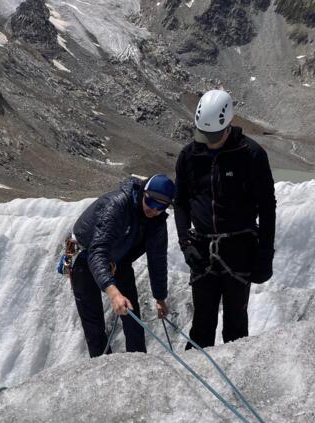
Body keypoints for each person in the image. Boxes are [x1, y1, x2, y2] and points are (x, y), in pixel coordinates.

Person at [173, 89, 276, 349]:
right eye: (203, 134)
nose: (208, 141)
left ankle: (233, 380)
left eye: (214, 136)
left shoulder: (251, 155)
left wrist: (264, 255)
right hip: (203, 251)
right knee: (201, 325)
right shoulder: (189, 156)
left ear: (228, 126)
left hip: (239, 250)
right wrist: (185, 242)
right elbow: (181, 202)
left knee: (236, 325)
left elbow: (266, 207)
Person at [70, 174, 175, 357]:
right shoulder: (118, 206)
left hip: (120, 260)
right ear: (143, 193)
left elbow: (157, 260)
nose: (153, 209)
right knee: (94, 323)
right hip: (86, 257)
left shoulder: (157, 223)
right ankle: (103, 368)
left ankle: (138, 365)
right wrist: (113, 293)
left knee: (133, 318)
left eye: (161, 206)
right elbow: (98, 251)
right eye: (150, 201)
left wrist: (160, 298)